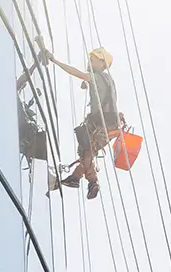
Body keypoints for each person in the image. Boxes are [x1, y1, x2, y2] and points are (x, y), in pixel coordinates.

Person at [36, 37, 117, 199]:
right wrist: (87, 84)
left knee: (86, 149)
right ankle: (75, 177)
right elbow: (101, 92)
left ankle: (90, 181)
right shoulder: (107, 80)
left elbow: (76, 73)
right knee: (86, 153)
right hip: (107, 125)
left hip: (101, 124)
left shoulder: (99, 77)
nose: (90, 62)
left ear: (102, 64)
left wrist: (54, 61)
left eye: (93, 60)